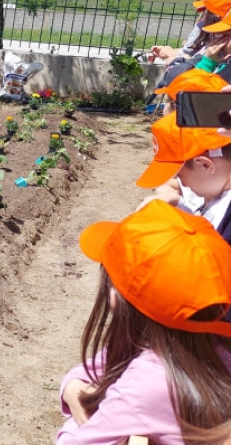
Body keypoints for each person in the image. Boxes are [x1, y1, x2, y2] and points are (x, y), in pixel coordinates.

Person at [57, 200, 231, 445]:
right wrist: (72, 386)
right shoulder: (207, 342)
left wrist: (75, 425)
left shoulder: (146, 385)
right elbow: (108, 360)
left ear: (116, 299)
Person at [135, 70, 231, 243]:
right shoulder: (215, 189)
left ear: (205, 165)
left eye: (179, 175)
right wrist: (178, 202)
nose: (181, 183)